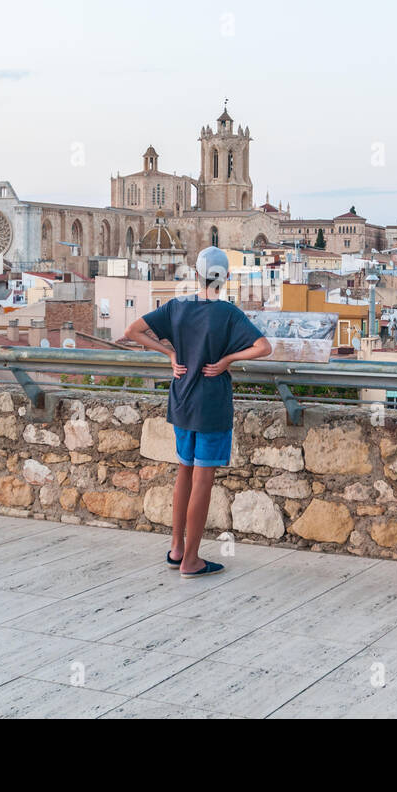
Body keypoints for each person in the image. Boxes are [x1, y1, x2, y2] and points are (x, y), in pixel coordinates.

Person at [124, 246, 271, 578]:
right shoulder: (228, 314)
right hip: (211, 404)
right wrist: (227, 361)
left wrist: (169, 354)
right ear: (226, 278)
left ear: (196, 275)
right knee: (203, 480)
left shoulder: (177, 307)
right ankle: (192, 560)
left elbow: (133, 331)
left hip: (181, 400)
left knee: (184, 474)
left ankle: (177, 549)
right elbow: (264, 347)